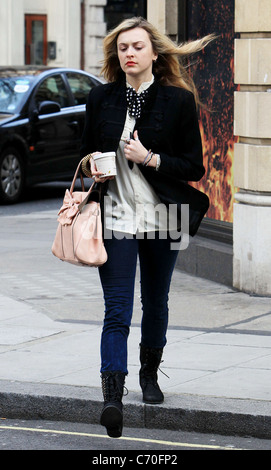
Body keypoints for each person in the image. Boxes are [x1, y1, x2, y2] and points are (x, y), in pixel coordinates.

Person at [80, 17, 214, 438]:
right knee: (116, 309)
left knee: (156, 302)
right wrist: (93, 168)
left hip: (166, 214)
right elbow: (83, 157)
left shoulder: (177, 101)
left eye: (137, 46)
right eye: (122, 48)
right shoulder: (99, 98)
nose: (129, 54)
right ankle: (112, 398)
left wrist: (149, 157)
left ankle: (149, 376)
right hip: (116, 214)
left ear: (155, 53)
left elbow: (194, 167)